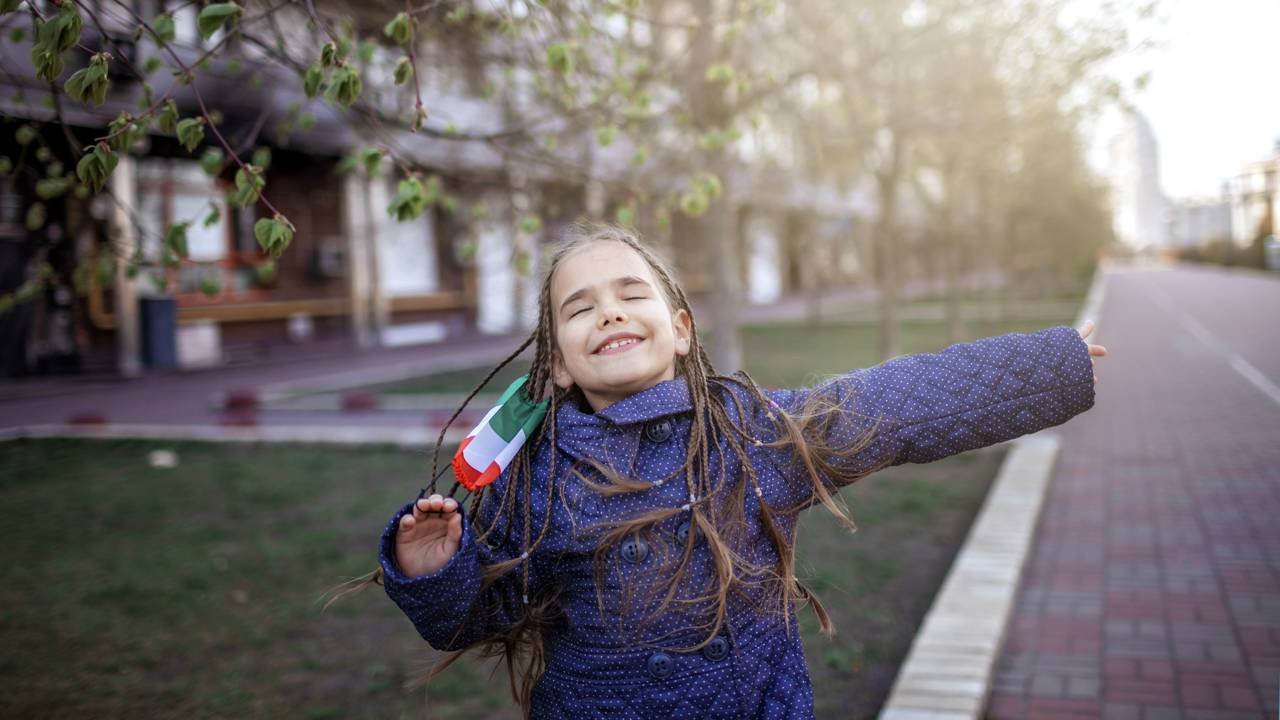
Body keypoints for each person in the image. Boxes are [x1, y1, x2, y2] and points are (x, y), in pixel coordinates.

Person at [373, 223, 1105, 719]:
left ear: (682, 328)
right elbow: (478, 616)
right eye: (581, 307)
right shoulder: (536, 476)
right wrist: (437, 570)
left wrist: (1047, 364)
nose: (609, 313)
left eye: (632, 293)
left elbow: (895, 406)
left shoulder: (752, 431)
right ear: (558, 363)